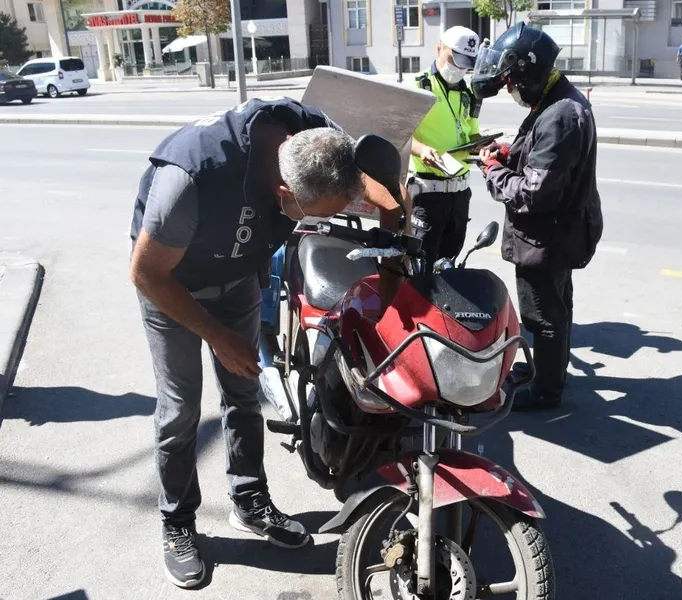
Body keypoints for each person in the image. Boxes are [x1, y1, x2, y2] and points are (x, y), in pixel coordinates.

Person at [128, 97, 407, 588]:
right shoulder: (193, 175)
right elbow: (146, 273)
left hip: (236, 278)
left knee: (243, 395)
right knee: (180, 410)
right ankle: (178, 522)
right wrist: (219, 338)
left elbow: (389, 196)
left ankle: (249, 499)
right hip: (173, 287)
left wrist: (389, 285)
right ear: (283, 192)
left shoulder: (320, 141)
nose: (314, 223)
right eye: (313, 215)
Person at [471, 22, 603, 412]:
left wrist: (492, 170)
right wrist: (508, 153)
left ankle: (546, 390)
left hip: (546, 239)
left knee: (543, 316)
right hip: (558, 233)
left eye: (511, 82)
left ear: (528, 74)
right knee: (558, 308)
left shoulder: (559, 115)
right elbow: (542, 158)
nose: (510, 89)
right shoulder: (555, 100)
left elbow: (533, 192)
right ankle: (552, 372)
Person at [409, 25, 482, 264]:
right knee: (422, 264)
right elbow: (397, 134)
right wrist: (421, 149)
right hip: (428, 194)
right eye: (454, 60)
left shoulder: (468, 92)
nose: (459, 69)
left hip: (460, 195)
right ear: (439, 48)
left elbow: (471, 132)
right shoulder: (417, 87)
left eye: (466, 65)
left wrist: (480, 145)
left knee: (449, 263)